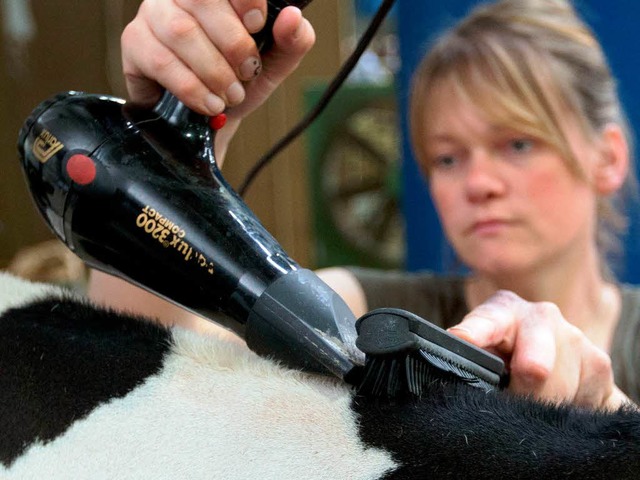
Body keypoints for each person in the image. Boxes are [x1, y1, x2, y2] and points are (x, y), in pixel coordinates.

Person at [90, 0, 639, 410]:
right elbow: (145, 355)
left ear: (607, 159)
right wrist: (163, 151)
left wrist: (609, 422)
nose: (479, 183)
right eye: (448, 158)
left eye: (518, 144)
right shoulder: (368, 321)